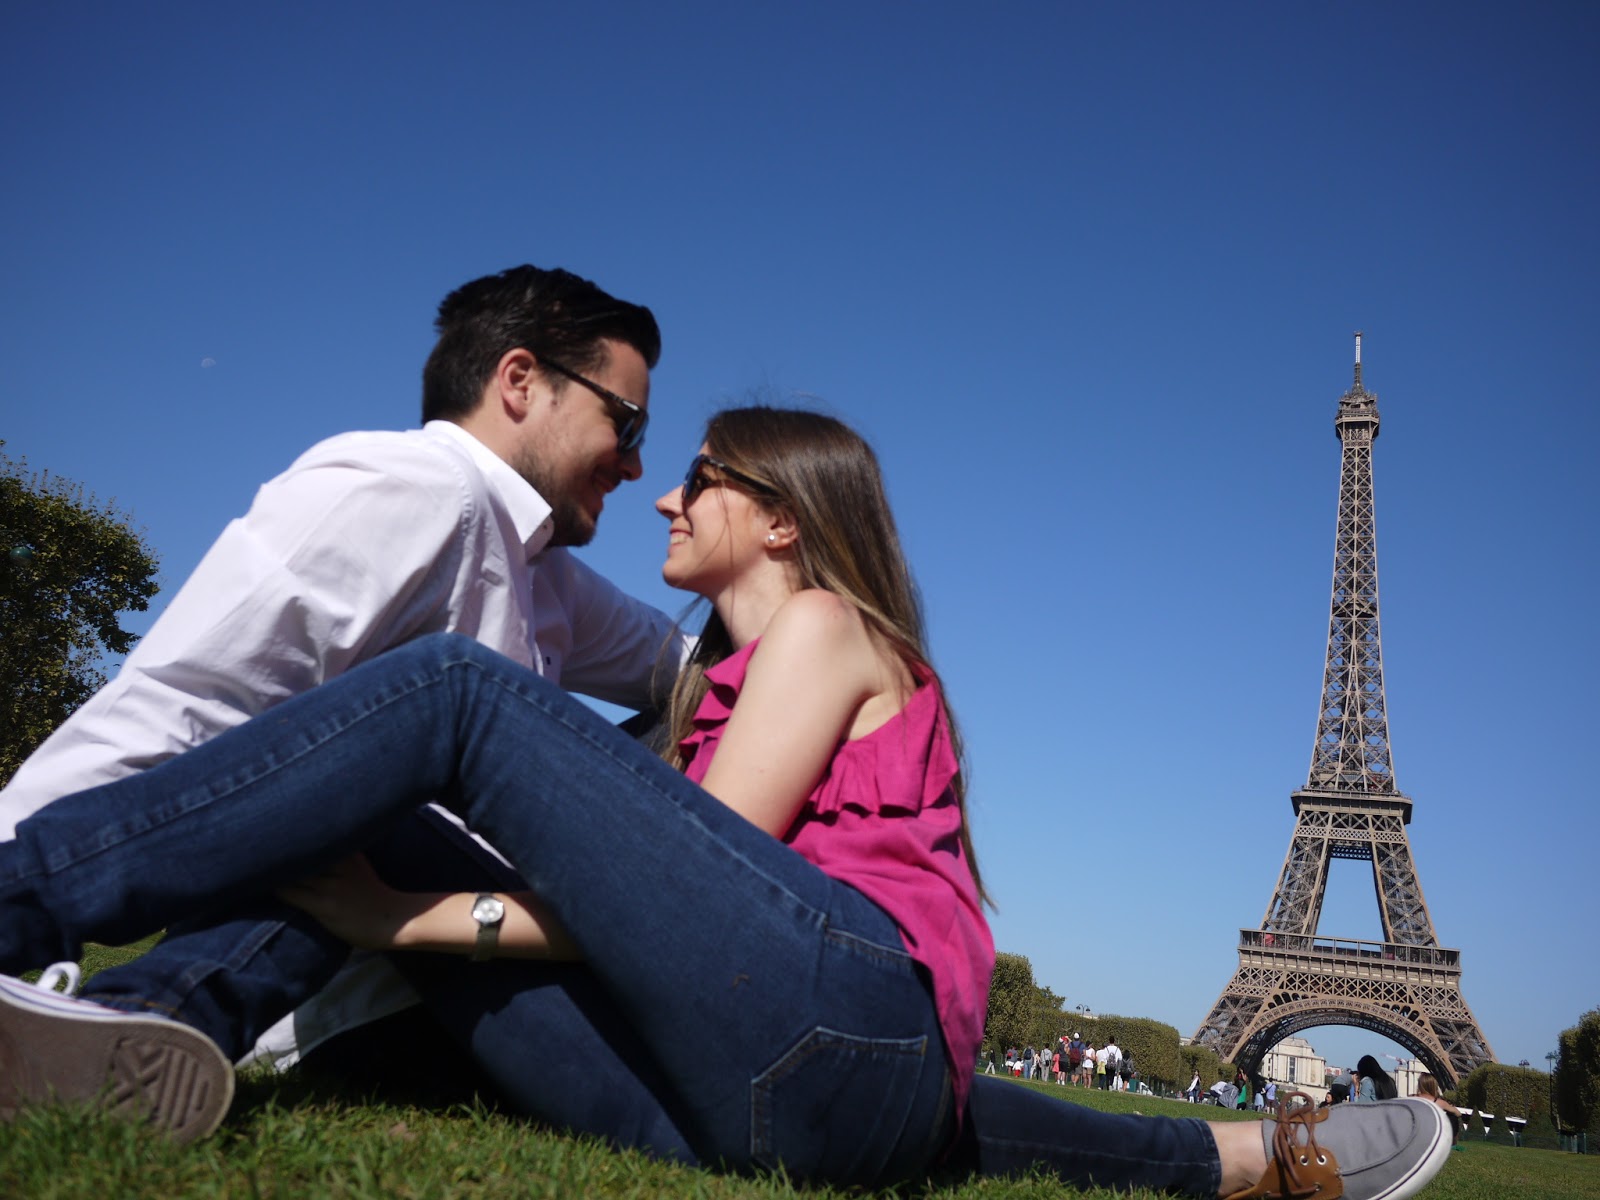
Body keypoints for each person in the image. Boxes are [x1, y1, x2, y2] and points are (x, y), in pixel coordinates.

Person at [0, 406, 1459, 1199]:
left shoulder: (825, 627)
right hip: (791, 1109)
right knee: (393, 821)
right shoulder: (713, 696)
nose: (663, 500)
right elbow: (641, 917)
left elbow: (676, 888)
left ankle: (18, 901)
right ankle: (142, 1031)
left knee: (446, 694)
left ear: (781, 519)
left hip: (840, 1014)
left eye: (698, 478)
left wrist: (408, 923)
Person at [0, 263, 681, 1068]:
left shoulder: (548, 573)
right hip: (349, 923)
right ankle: (134, 1009)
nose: (636, 467)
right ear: (521, 381)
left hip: (425, 957)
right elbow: (190, 698)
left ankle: (156, 1029)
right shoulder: (415, 488)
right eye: (626, 425)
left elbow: (696, 672)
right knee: (376, 791)